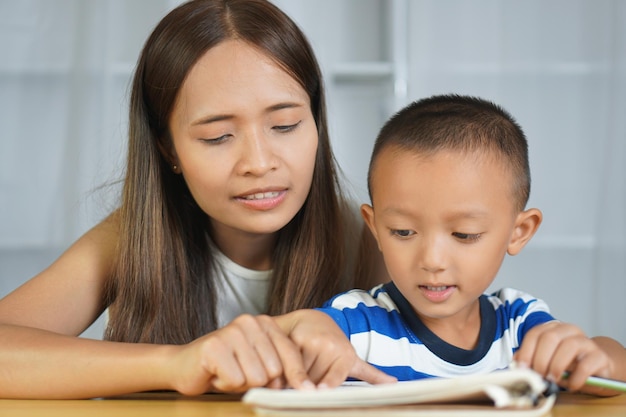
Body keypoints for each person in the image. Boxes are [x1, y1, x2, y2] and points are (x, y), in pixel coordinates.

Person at [0, 0, 393, 399]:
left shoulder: (370, 239)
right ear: (168, 149)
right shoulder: (132, 239)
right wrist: (179, 363)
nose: (258, 163)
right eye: (218, 137)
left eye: (285, 125)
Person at [315, 94, 626, 396]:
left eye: (464, 234)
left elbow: (613, 362)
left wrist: (599, 358)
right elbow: (308, 338)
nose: (432, 260)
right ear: (375, 229)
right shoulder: (358, 323)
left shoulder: (518, 324)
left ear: (518, 232)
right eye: (403, 231)